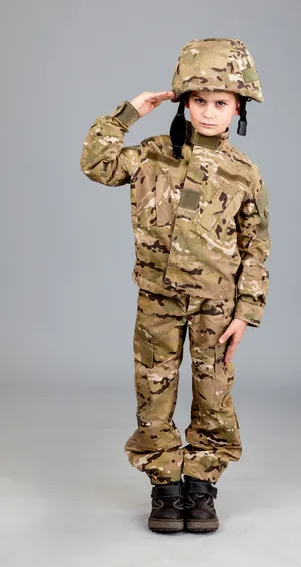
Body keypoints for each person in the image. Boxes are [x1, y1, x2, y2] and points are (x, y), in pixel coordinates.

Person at [80, 38, 271, 534]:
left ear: (238, 109)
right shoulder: (151, 155)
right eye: (200, 101)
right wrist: (128, 113)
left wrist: (246, 312)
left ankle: (202, 488)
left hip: (216, 307)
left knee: (214, 395)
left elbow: (256, 247)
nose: (209, 113)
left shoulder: (245, 173)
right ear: (185, 103)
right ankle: (165, 488)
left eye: (221, 103)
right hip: (157, 304)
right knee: (154, 393)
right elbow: (97, 165)